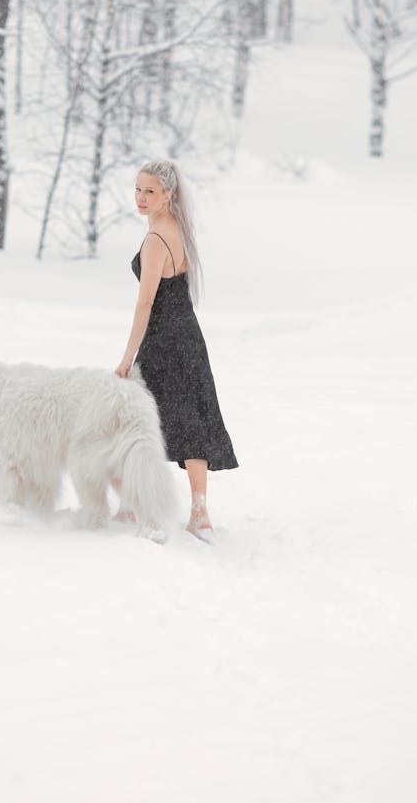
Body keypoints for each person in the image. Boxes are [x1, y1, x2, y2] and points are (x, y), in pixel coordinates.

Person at [115, 159, 238, 543]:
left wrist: (126, 359)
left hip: (163, 341)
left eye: (149, 191)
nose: (140, 197)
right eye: (137, 189)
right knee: (191, 419)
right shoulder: (178, 229)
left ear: (168, 195)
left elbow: (144, 305)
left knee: (138, 421)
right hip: (189, 337)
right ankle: (199, 512)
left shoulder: (155, 240)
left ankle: (132, 505)